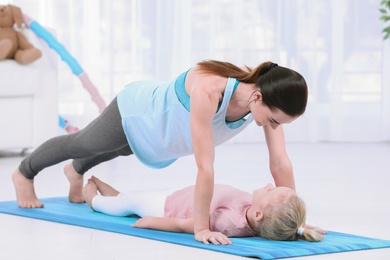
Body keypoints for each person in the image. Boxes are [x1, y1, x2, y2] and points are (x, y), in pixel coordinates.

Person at [12, 60, 308, 244]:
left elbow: (280, 161)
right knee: (86, 143)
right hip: (138, 112)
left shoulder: (264, 102)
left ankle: (75, 170)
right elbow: (205, 167)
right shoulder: (210, 91)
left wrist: (294, 220)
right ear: (257, 97)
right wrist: (201, 228)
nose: (270, 127)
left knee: (120, 148)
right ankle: (24, 172)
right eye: (272, 120)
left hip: (161, 138)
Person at [83, 176, 324, 244]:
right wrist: (297, 225)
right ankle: (113, 192)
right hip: (180, 194)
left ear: (259, 214)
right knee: (130, 197)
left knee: (127, 203)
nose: (269, 185)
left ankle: (93, 198)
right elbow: (284, 218)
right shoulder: (262, 216)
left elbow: (186, 225)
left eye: (271, 191)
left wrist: (149, 221)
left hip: (165, 206)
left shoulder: (226, 223)